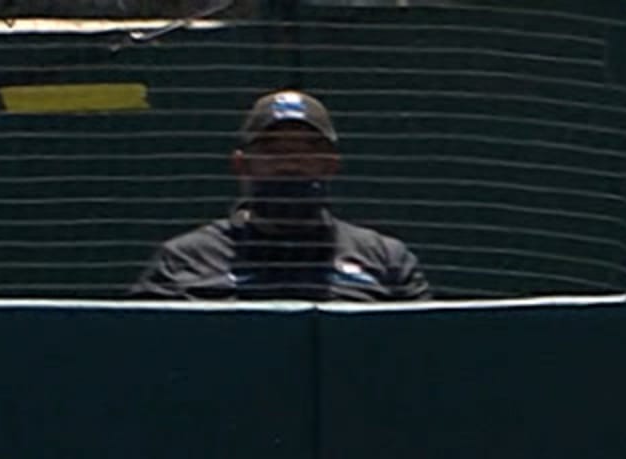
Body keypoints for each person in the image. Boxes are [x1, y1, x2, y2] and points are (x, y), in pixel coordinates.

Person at [130, 89, 429, 302]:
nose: (290, 164)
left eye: (307, 151)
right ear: (241, 165)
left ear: (331, 165)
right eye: (273, 151)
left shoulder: (386, 260)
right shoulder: (185, 261)